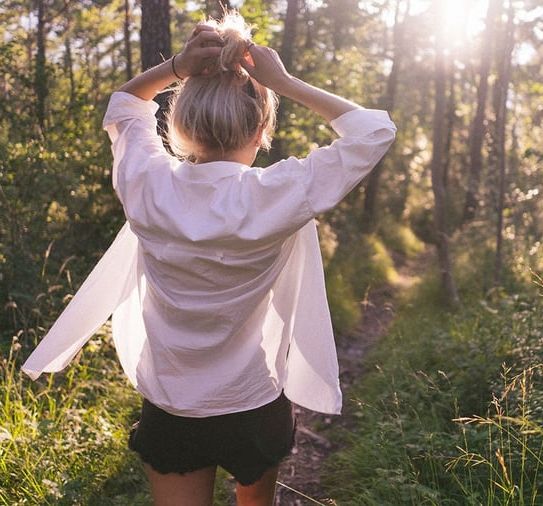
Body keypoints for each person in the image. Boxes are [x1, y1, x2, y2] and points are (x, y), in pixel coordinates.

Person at [22, 10, 395, 506]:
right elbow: (373, 132)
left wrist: (176, 66)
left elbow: (125, 105)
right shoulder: (277, 194)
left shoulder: (150, 185)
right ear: (261, 129)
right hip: (253, 399)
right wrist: (283, 82)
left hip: (172, 406)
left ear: (180, 123)